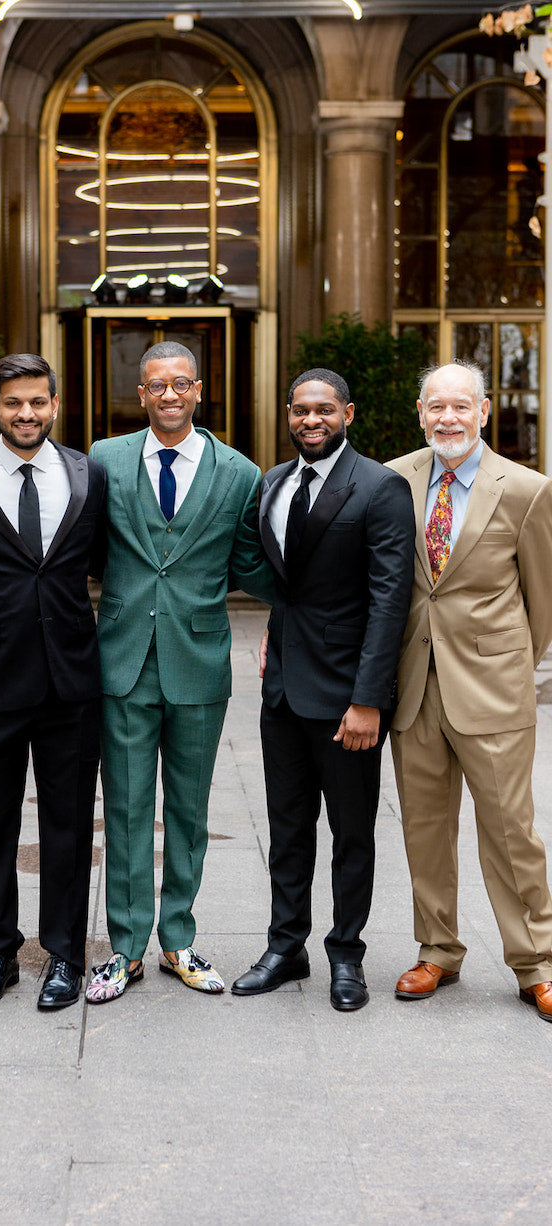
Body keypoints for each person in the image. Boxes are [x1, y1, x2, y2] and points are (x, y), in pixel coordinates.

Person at [84, 340, 276, 1004]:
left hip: (197, 661)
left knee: (188, 810)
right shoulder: (103, 462)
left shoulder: (240, 472)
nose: (169, 394)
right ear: (139, 394)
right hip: (123, 659)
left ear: (200, 391)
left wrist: (306, 602)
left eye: (182, 384)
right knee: (128, 807)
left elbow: (252, 563)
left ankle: (178, 939)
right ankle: (124, 947)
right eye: (156, 385)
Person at [231, 368, 415, 1010]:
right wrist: (277, 630)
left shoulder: (381, 487)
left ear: (348, 414)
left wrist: (369, 699)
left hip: (346, 698)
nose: (312, 420)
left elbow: (390, 599)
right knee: (287, 827)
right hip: (281, 687)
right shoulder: (273, 483)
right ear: (288, 414)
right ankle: (287, 947)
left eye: (325, 410)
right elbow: (284, 581)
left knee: (352, 831)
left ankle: (346, 953)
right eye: (301, 410)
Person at [0, 354, 106, 1011]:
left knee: (68, 827)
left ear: (55, 405)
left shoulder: (90, 478)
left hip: (71, 682)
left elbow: (102, 562)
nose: (26, 414)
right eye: (13, 403)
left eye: (37, 401)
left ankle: (64, 955)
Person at [388, 360, 552, 1021]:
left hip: (492, 688)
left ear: (484, 413)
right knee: (425, 829)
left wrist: (507, 663)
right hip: (414, 687)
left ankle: (536, 961)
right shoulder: (394, 481)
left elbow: (542, 600)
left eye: (462, 407)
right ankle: (438, 950)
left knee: (511, 831)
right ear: (421, 414)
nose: (448, 418)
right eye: (436, 407)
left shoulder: (527, 490)